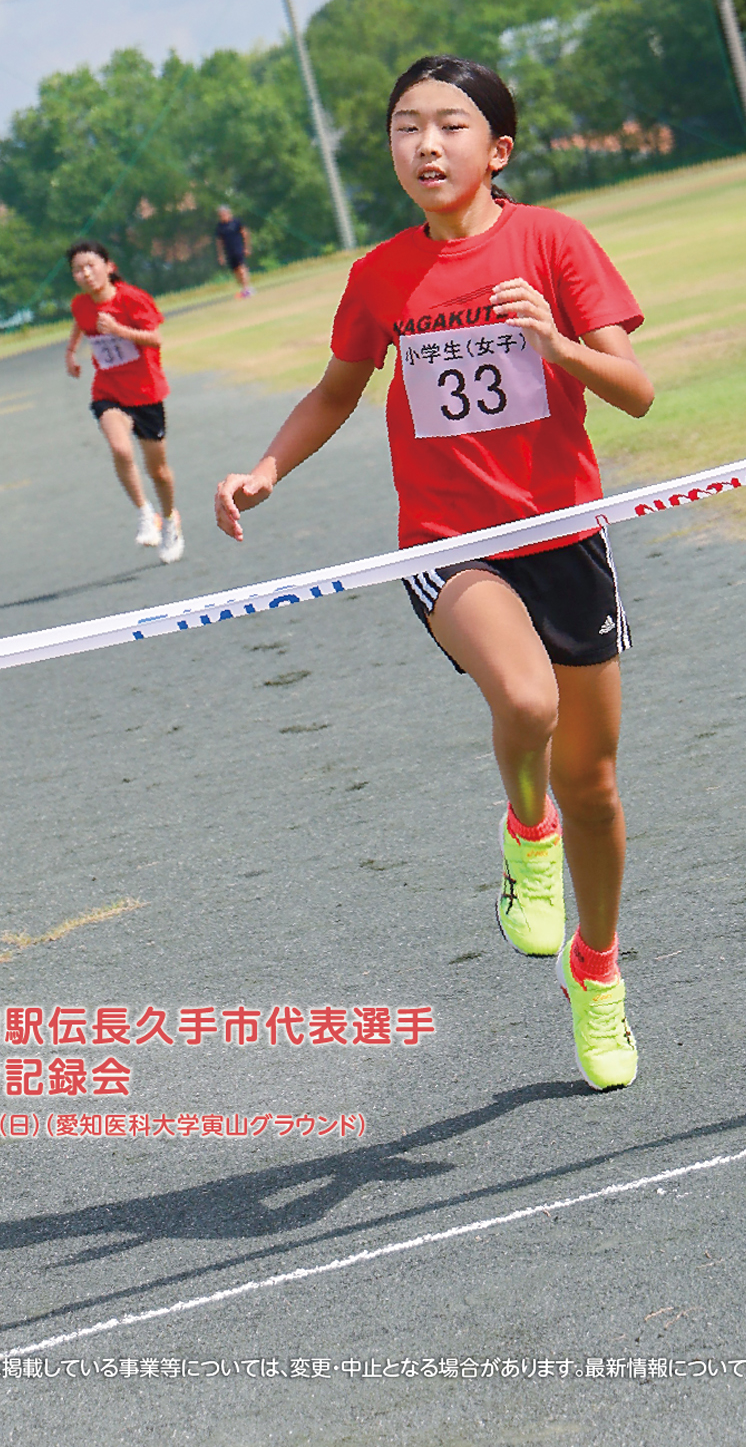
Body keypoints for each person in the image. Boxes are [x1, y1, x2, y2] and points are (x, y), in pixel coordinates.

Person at [214, 56, 653, 1089]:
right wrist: (265, 469)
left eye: (450, 124)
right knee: (526, 699)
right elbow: (335, 391)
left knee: (595, 785)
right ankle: (526, 831)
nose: (425, 144)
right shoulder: (380, 275)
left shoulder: (553, 242)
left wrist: (554, 342)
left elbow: (634, 389)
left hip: (566, 535)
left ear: (497, 149)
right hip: (449, 543)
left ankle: (595, 968)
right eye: (405, 126)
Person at [65, 240, 184, 564]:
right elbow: (80, 321)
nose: (86, 273)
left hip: (145, 393)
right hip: (109, 390)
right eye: (78, 269)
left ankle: (170, 519)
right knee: (120, 449)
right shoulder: (81, 304)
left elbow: (155, 338)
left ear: (109, 266)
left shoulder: (132, 299)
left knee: (158, 471)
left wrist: (119, 330)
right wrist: (71, 351)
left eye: (91, 265)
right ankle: (146, 513)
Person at [214, 205, 253, 298]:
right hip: (229, 252)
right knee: (236, 271)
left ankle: (247, 288)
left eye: (224, 213)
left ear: (228, 213)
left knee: (241, 268)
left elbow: (245, 234)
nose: (222, 216)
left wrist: (247, 247)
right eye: (220, 214)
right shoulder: (220, 226)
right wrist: (221, 255)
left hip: (238, 249)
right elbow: (219, 242)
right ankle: (244, 289)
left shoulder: (236, 222)